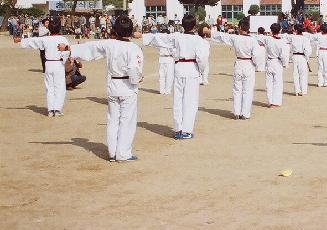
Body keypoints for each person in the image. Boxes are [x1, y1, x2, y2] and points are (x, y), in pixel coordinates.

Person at [57, 16, 144, 162]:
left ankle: (112, 153)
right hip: (127, 87)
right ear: (131, 31)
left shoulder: (109, 44)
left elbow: (90, 48)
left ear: (115, 30)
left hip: (113, 86)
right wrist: (137, 79)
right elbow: (133, 69)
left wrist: (68, 49)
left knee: (113, 120)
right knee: (127, 121)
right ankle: (123, 154)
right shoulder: (134, 48)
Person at [142, 14, 210, 138]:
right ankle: (186, 130)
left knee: (178, 99)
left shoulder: (177, 37)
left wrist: (144, 37)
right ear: (194, 26)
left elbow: (161, 38)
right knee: (190, 101)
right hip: (191, 68)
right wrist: (201, 70)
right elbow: (202, 59)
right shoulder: (199, 41)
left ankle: (178, 128)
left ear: (182, 26)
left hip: (179, 67)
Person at [15, 16, 70, 117]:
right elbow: (67, 53)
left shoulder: (45, 39)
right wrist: (64, 60)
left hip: (48, 64)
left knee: (49, 88)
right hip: (58, 64)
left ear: (49, 28)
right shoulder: (63, 39)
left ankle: (50, 110)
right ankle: (57, 109)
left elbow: (33, 41)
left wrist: (20, 41)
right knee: (60, 87)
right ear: (59, 28)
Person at [212, 17, 265, 120]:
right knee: (247, 90)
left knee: (237, 89)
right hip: (248, 64)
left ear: (240, 27)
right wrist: (256, 65)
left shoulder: (235, 38)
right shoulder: (253, 41)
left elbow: (223, 36)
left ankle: (236, 112)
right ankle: (245, 113)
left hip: (239, 62)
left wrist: (210, 32)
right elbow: (257, 56)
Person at [258, 22, 289, 107]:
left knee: (269, 83)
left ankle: (270, 101)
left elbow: (258, 39)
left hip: (269, 61)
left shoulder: (268, 39)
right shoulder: (282, 42)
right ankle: (276, 102)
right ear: (280, 30)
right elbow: (284, 55)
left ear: (271, 30)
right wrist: (285, 64)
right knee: (277, 83)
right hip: (277, 62)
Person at [290, 24, 312, 96]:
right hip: (302, 57)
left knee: (295, 74)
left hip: (295, 56)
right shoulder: (305, 39)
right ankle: (303, 91)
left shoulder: (292, 38)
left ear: (296, 30)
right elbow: (307, 50)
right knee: (303, 74)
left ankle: (297, 91)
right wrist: (307, 58)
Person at [314, 23, 327, 87]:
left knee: (320, 68)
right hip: (326, 52)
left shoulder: (319, 36)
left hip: (320, 51)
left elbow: (316, 43)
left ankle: (320, 82)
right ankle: (326, 82)